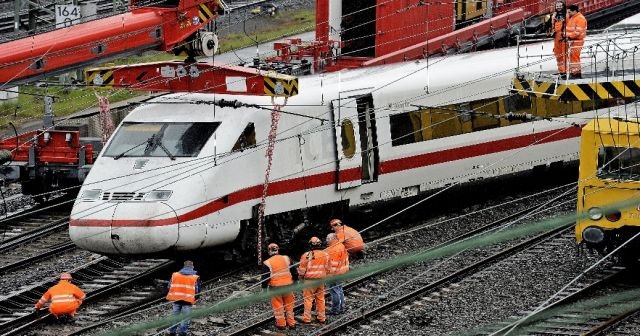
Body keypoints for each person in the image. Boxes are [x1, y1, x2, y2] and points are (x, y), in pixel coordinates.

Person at [262, 243, 297, 330]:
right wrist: (295, 282)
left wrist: (264, 288)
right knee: (289, 305)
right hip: (288, 286)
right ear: (278, 250)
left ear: (269, 251)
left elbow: (265, 277)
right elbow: (294, 271)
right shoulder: (286, 258)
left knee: (278, 307)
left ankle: (281, 325)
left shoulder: (267, 262)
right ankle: (292, 323)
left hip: (276, 288)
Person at [298, 237, 330, 324]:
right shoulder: (326, 255)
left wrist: (300, 280)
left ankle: (307, 319)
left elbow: (301, 271)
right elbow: (327, 269)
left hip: (309, 281)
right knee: (320, 299)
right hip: (321, 280)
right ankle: (321, 318)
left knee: (308, 299)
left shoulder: (306, 255)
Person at [166, 260, 200, 336]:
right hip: (188, 301)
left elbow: (169, 287)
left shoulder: (175, 275)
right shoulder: (194, 277)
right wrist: (195, 298)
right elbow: (197, 290)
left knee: (175, 316)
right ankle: (182, 333)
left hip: (176, 299)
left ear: (184, 266)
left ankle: (172, 332)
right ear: (192, 267)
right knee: (185, 318)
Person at [325, 232, 349, 315]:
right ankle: (341, 307)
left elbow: (333, 265)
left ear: (334, 239)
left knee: (334, 291)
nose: (326, 240)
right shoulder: (341, 245)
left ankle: (336, 310)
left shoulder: (334, 249)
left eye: (328, 238)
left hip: (335, 274)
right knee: (339, 290)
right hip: (342, 272)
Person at [565, 4, 587, 79]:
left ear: (574, 11)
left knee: (575, 57)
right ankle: (574, 72)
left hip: (577, 40)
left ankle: (576, 73)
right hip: (572, 40)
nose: (568, 14)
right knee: (572, 57)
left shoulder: (580, 18)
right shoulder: (573, 17)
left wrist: (569, 36)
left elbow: (578, 32)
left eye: (569, 12)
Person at [551, 1, 568, 78]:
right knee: (558, 54)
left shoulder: (567, 14)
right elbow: (552, 26)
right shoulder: (554, 15)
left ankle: (566, 71)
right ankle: (561, 71)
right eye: (557, 6)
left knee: (565, 54)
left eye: (560, 6)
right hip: (556, 37)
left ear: (563, 6)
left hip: (564, 37)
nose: (558, 7)